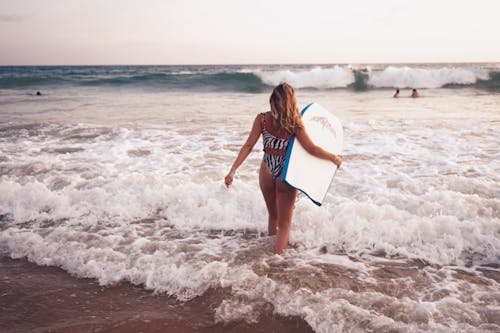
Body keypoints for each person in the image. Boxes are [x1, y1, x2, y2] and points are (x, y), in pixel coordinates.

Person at [224, 83, 342, 254]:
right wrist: (334, 157)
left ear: (273, 100)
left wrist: (233, 170)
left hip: (267, 169)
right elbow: (312, 149)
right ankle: (277, 259)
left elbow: (248, 145)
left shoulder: (262, 119)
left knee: (273, 216)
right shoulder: (295, 124)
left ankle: (270, 251)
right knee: (285, 223)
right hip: (285, 173)